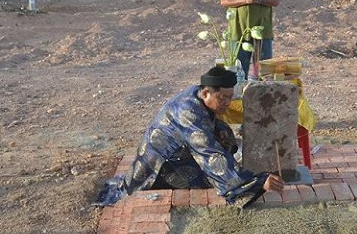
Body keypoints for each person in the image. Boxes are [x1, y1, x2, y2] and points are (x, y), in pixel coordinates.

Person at [100, 67, 285, 208]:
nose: (227, 103)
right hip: (162, 166)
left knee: (224, 135)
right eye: (222, 98)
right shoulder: (188, 113)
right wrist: (258, 182)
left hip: (175, 151)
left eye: (230, 97)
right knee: (211, 179)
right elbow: (210, 154)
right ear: (205, 93)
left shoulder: (197, 94)